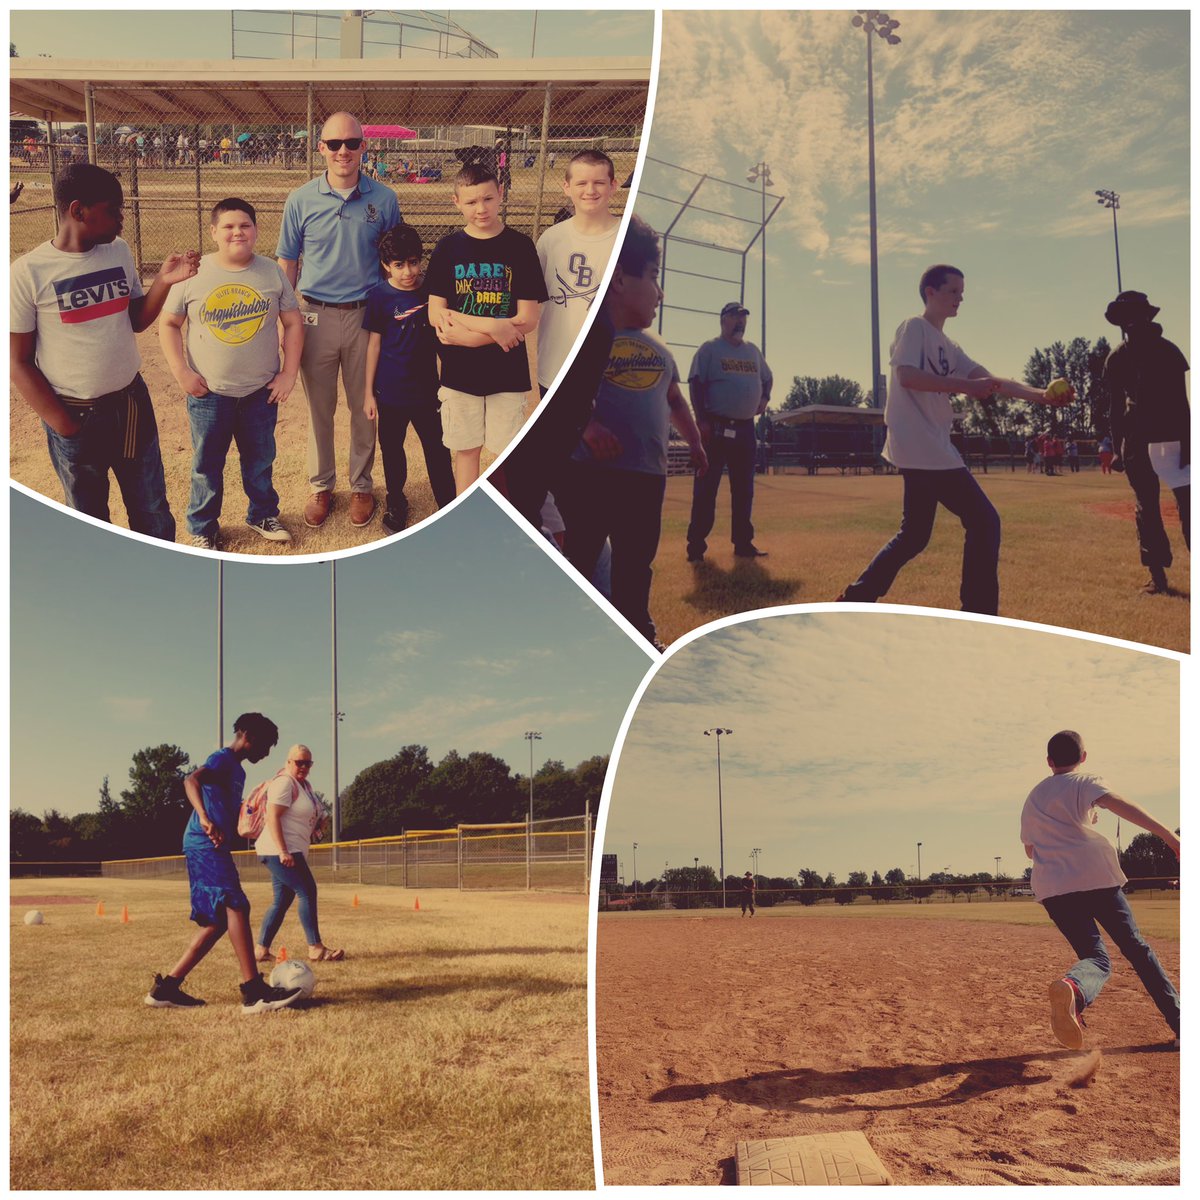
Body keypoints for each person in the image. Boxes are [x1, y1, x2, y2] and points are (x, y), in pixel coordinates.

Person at [835, 264, 1070, 615]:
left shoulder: (949, 345)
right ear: (930, 292)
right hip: (922, 443)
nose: (960, 297)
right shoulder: (913, 327)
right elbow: (908, 376)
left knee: (914, 536)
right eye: (953, 291)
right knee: (984, 521)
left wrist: (1042, 395)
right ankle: (978, 611)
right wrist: (966, 387)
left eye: (962, 291)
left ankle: (855, 598)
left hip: (930, 444)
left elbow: (991, 381)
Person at [10, 162, 198, 542]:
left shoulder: (118, 252)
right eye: (113, 210)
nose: (121, 219)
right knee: (90, 517)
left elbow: (137, 320)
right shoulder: (27, 272)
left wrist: (163, 282)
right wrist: (65, 425)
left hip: (130, 404)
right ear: (78, 211)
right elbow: (17, 362)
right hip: (74, 412)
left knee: (151, 509)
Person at [556, 215, 707, 648]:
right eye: (655, 278)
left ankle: (638, 634)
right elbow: (558, 397)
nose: (661, 293)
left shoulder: (659, 347)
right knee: (581, 557)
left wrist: (695, 443)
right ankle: (578, 642)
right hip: (590, 474)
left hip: (645, 474)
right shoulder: (586, 335)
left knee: (636, 564)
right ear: (620, 280)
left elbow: (675, 401)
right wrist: (587, 426)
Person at [277, 111, 401, 530]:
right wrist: (283, 316)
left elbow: (393, 259)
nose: (343, 151)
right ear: (321, 149)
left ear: (364, 147)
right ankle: (321, 484)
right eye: (334, 144)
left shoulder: (383, 199)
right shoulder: (300, 199)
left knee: (365, 405)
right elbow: (288, 262)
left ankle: (362, 484)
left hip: (366, 316)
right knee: (319, 407)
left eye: (351, 143)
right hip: (315, 315)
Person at [1019, 729, 1179, 1050]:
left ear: (1049, 762)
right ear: (1083, 757)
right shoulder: (1084, 781)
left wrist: (1074, 826)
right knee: (1137, 950)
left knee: (1095, 958)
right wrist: (1170, 838)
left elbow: (1031, 851)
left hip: (1053, 888)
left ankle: (1074, 987)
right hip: (1095, 878)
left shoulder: (1034, 797)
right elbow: (1119, 803)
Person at [159, 197, 302, 550]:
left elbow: (293, 322)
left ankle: (262, 513)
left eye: (245, 225)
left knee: (260, 459)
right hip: (210, 393)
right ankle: (203, 526)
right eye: (228, 226)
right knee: (207, 464)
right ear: (213, 232)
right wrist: (181, 372)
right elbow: (169, 323)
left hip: (259, 391)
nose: (237, 232)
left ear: (255, 231)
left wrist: (289, 373)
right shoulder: (195, 275)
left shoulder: (270, 272)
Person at [145, 713, 304, 1013]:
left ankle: (165, 989)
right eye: (267, 745)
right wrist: (205, 819)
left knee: (218, 922)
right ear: (249, 736)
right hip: (204, 843)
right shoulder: (223, 759)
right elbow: (190, 780)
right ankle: (254, 992)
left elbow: (229, 810)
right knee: (237, 904)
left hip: (213, 845)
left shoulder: (239, 773)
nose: (267, 752)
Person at [426, 162, 548, 493]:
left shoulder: (520, 246)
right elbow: (436, 313)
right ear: (456, 202)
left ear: (500, 195)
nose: (481, 209)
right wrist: (493, 329)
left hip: (506, 372)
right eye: (471, 202)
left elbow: (528, 318)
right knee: (465, 451)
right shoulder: (448, 248)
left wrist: (470, 336)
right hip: (459, 372)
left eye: (488, 199)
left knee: (505, 454)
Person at [362, 223, 456, 532]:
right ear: (386, 265)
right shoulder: (378, 296)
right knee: (392, 449)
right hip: (391, 393)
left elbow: (445, 338)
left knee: (438, 449)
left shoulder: (432, 291)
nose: (408, 272)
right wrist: (368, 392)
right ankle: (396, 500)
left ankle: (448, 501)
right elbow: (374, 344)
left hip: (428, 392)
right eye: (399, 265)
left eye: (414, 262)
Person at [1101, 290, 1191, 595]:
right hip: (1137, 442)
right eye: (1126, 318)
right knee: (1147, 508)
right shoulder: (1118, 357)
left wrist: (1190, 443)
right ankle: (1158, 577)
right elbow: (1114, 408)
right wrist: (1117, 448)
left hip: (1172, 437)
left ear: (1144, 317)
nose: (1130, 323)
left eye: (1134, 316)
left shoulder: (1168, 351)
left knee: (1190, 506)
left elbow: (1182, 402)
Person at [685, 301, 774, 562]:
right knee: (706, 488)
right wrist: (701, 420)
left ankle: (743, 543)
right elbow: (695, 382)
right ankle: (696, 546)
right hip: (716, 427)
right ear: (723, 320)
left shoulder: (753, 352)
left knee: (744, 489)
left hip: (746, 430)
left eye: (743, 318)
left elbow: (768, 377)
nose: (740, 322)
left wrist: (765, 397)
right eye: (735, 317)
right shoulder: (710, 349)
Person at [535, 149, 620, 395]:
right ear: (566, 187)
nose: (590, 191)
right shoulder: (552, 239)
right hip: (556, 367)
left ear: (613, 186)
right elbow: (530, 297)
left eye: (599, 183)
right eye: (581, 183)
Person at [252, 744, 344, 963]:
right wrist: (283, 851)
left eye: (308, 763)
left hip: (288, 849)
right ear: (288, 762)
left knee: (282, 900)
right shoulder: (285, 783)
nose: (303, 766)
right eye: (299, 762)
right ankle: (315, 948)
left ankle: (260, 950)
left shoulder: (304, 786)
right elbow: (272, 817)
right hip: (280, 850)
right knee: (307, 891)